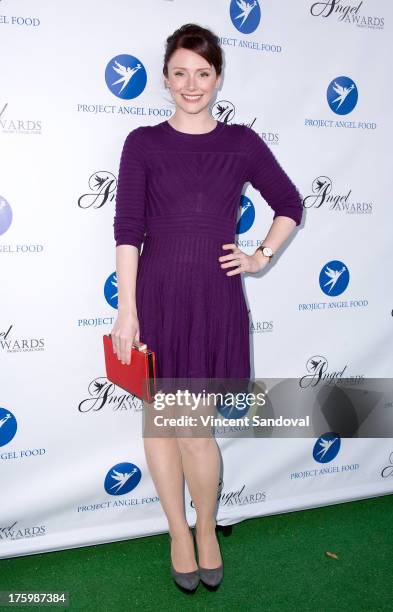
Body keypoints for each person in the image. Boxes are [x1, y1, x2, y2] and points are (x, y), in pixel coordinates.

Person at [110, 23, 303, 592]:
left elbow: (289, 203)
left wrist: (261, 256)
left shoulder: (241, 142)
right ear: (165, 78)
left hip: (212, 299)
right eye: (180, 73)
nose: (191, 84)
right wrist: (127, 310)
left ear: (217, 78)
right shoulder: (141, 143)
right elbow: (127, 230)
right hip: (156, 298)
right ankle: (177, 531)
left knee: (192, 428)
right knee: (160, 424)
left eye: (202, 73)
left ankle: (208, 529)